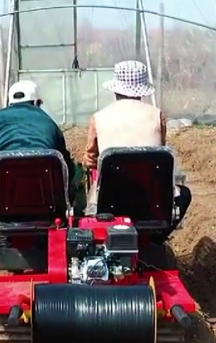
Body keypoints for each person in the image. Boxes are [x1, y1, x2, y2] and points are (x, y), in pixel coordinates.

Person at [82, 60, 191, 241]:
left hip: (110, 199)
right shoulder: (156, 115)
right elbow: (159, 154)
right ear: (141, 91)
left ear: (116, 89)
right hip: (150, 198)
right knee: (184, 194)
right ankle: (157, 238)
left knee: (84, 200)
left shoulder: (99, 117)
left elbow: (90, 160)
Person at [0, 80, 78, 188]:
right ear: (37, 103)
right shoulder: (48, 122)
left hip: (4, 197)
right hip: (47, 196)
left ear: (9, 103)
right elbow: (65, 166)